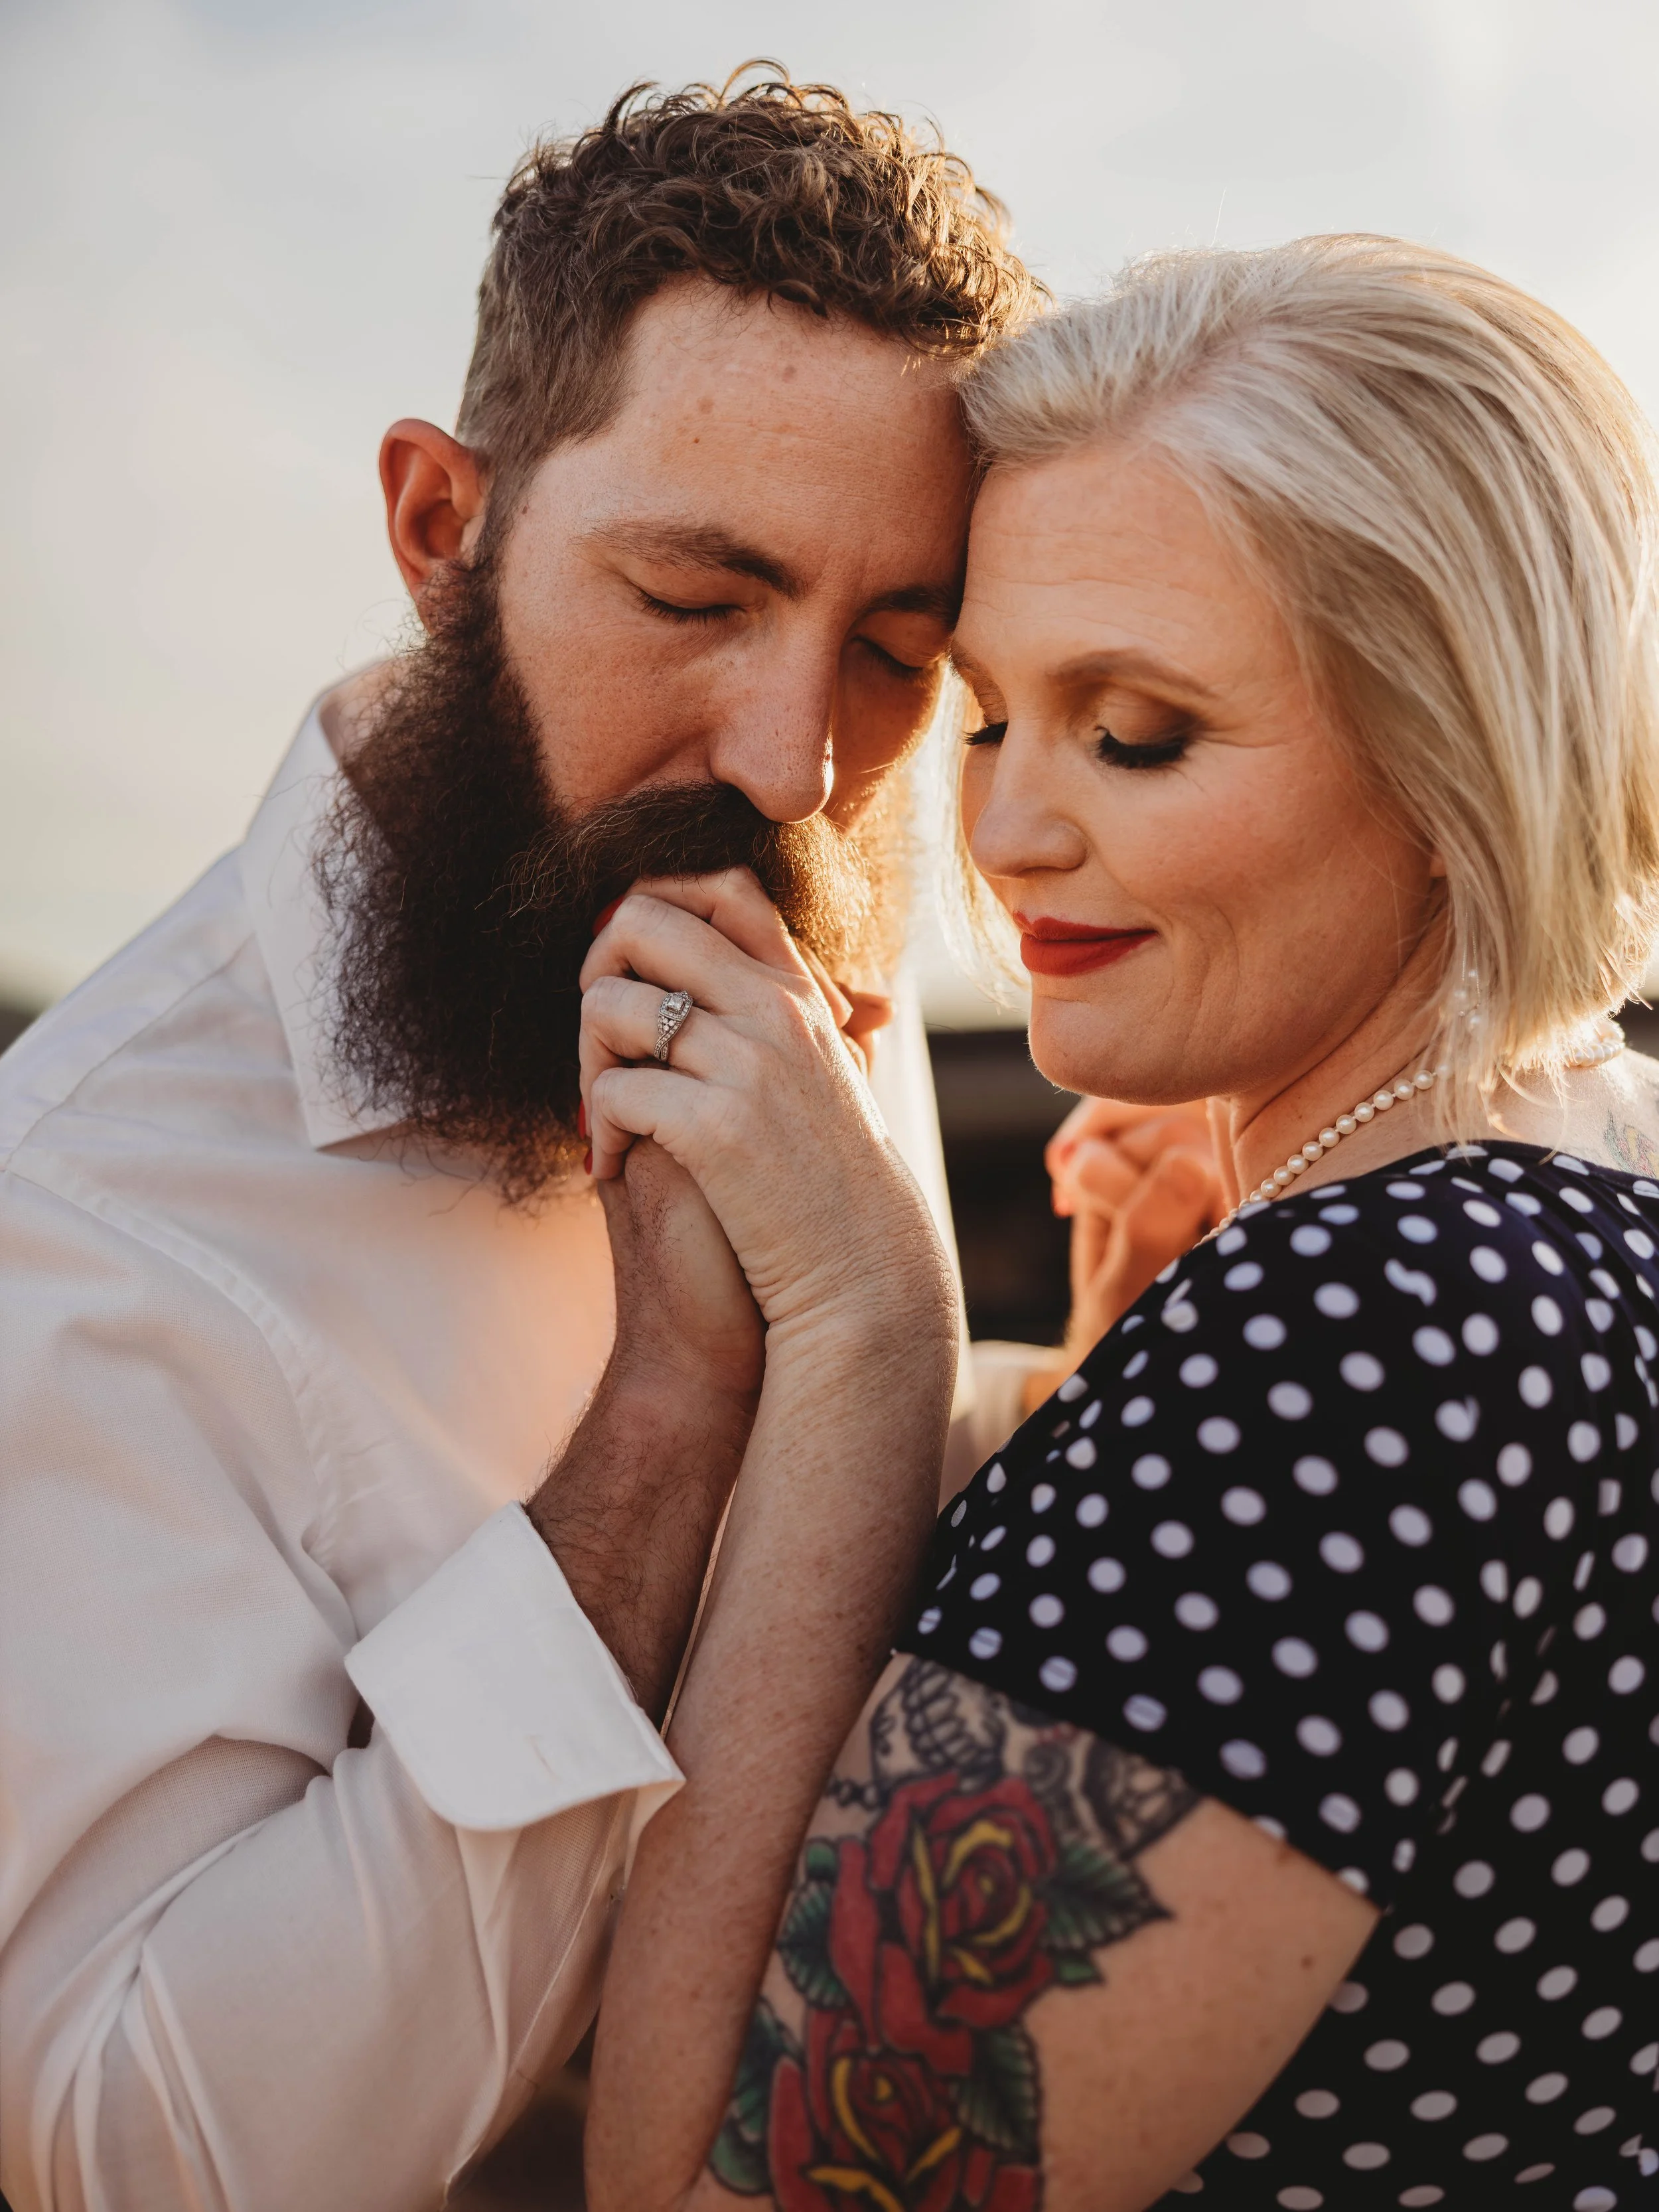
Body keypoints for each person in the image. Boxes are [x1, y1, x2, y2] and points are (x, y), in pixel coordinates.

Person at [0, 72, 1049, 2212]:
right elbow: (116, 2146)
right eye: (695, 593)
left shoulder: (783, 921)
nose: (792, 756)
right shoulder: (85, 1228)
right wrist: (661, 1420)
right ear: (436, 525)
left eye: (893, 649)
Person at [571, 236, 1659, 2210]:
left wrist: (861, 1325)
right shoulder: (1584, 1216)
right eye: (988, 712)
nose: (1001, 831)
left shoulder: (1372, 1324)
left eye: (1135, 729)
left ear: (1450, 753)